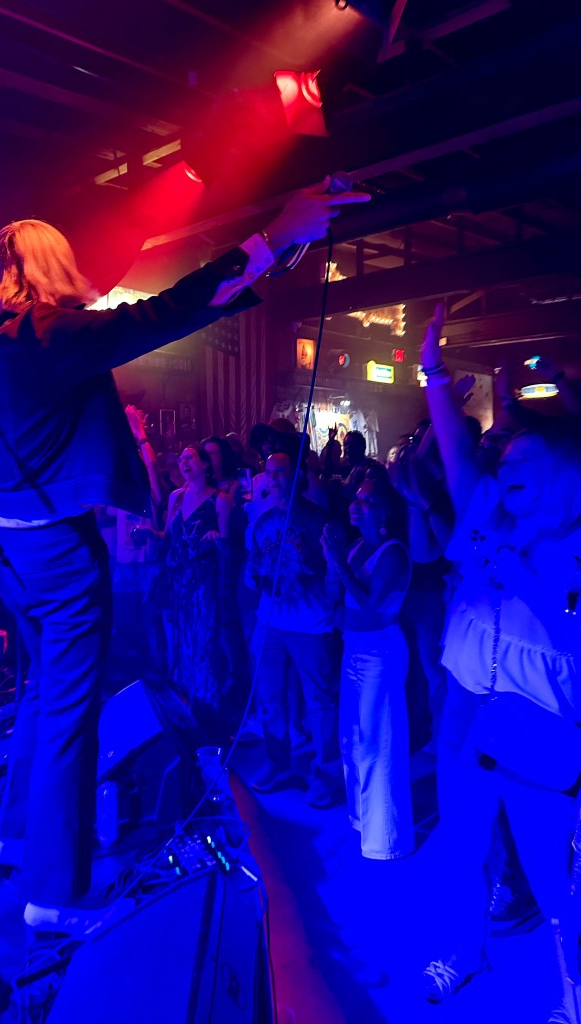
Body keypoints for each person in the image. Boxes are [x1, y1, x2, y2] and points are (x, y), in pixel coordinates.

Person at [0, 179, 371, 936]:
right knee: (72, 706)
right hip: (58, 548)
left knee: (42, 688)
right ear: (51, 266)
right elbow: (166, 312)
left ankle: (17, 835)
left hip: (8, 545)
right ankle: (55, 892)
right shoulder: (52, 337)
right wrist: (274, 236)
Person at [418, 305, 581, 1022]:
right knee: (461, 844)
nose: (505, 463)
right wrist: (432, 371)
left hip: (537, 720)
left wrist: (527, 581)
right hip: (464, 704)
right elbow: (459, 451)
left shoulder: (573, 544)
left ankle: (572, 993)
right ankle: (466, 948)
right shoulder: (485, 510)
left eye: (523, 460)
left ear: (565, 473)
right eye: (504, 459)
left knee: (551, 873)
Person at [322, 477, 415, 860]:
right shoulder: (357, 546)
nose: (355, 505)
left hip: (380, 654)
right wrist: (333, 566)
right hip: (354, 648)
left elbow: (371, 603)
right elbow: (337, 596)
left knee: (379, 742)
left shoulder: (393, 553)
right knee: (352, 737)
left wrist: (339, 565)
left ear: (384, 513)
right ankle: (364, 820)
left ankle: (387, 841)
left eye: (366, 500)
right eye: (355, 498)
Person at [247, 443, 342, 807]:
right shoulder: (262, 519)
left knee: (319, 701)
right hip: (270, 620)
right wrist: (256, 575)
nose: (273, 479)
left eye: (281, 472)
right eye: (269, 473)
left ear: (298, 475)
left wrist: (301, 569)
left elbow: (332, 571)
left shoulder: (319, 520)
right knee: (269, 696)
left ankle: (327, 774)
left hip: (311, 622)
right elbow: (252, 567)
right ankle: (277, 761)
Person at [162, 443, 232, 738]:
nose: (184, 462)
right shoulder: (176, 498)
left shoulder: (221, 500)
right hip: (178, 583)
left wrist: (218, 539)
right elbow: (167, 538)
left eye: (190, 457)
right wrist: (148, 535)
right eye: (181, 459)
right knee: (179, 648)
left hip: (204, 583)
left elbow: (230, 551)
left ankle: (209, 721)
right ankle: (185, 718)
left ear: (205, 464)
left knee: (203, 647)